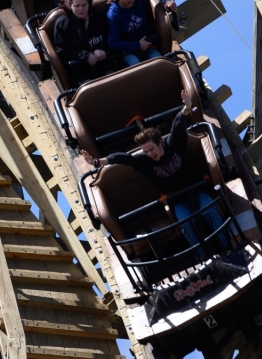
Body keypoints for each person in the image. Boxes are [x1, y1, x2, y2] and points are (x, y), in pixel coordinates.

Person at [82, 89, 227, 252]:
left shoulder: (173, 144)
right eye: (145, 152)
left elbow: (178, 125)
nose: (150, 154)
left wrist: (187, 107)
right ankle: (204, 258)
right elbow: (122, 158)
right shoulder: (144, 161)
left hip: (197, 188)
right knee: (185, 220)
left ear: (159, 142)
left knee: (208, 209)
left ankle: (226, 247)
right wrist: (95, 161)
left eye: (151, 149)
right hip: (177, 199)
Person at [107, 0, 178, 67]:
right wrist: (138, 45)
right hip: (127, 49)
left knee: (158, 61)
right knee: (135, 64)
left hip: (148, 43)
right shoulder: (113, 15)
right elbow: (113, 43)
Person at [52, 0, 111, 86]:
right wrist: (85, 55)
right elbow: (61, 50)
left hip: (102, 61)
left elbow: (108, 34)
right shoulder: (63, 24)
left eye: (84, 5)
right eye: (77, 6)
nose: (81, 9)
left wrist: (101, 47)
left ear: (89, 4)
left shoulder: (97, 16)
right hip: (78, 66)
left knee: (113, 79)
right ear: (70, 6)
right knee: (89, 88)